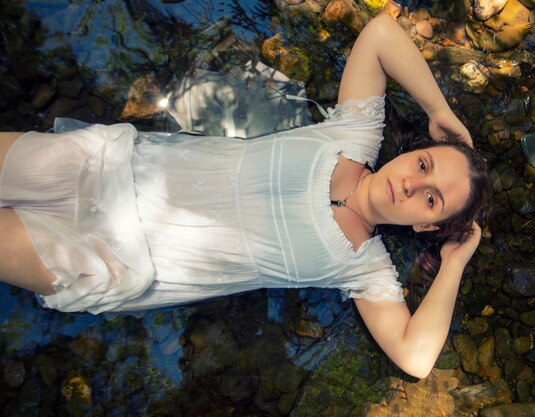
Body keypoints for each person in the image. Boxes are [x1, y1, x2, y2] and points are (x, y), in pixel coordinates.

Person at [0, 13, 489, 378]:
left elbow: (416, 358)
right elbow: (382, 33)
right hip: (111, 169)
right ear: (413, 153)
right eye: (424, 164)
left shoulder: (362, 268)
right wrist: (438, 108)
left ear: (426, 225)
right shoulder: (354, 131)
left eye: (431, 201)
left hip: (112, 258)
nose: (411, 183)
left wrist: (454, 264)